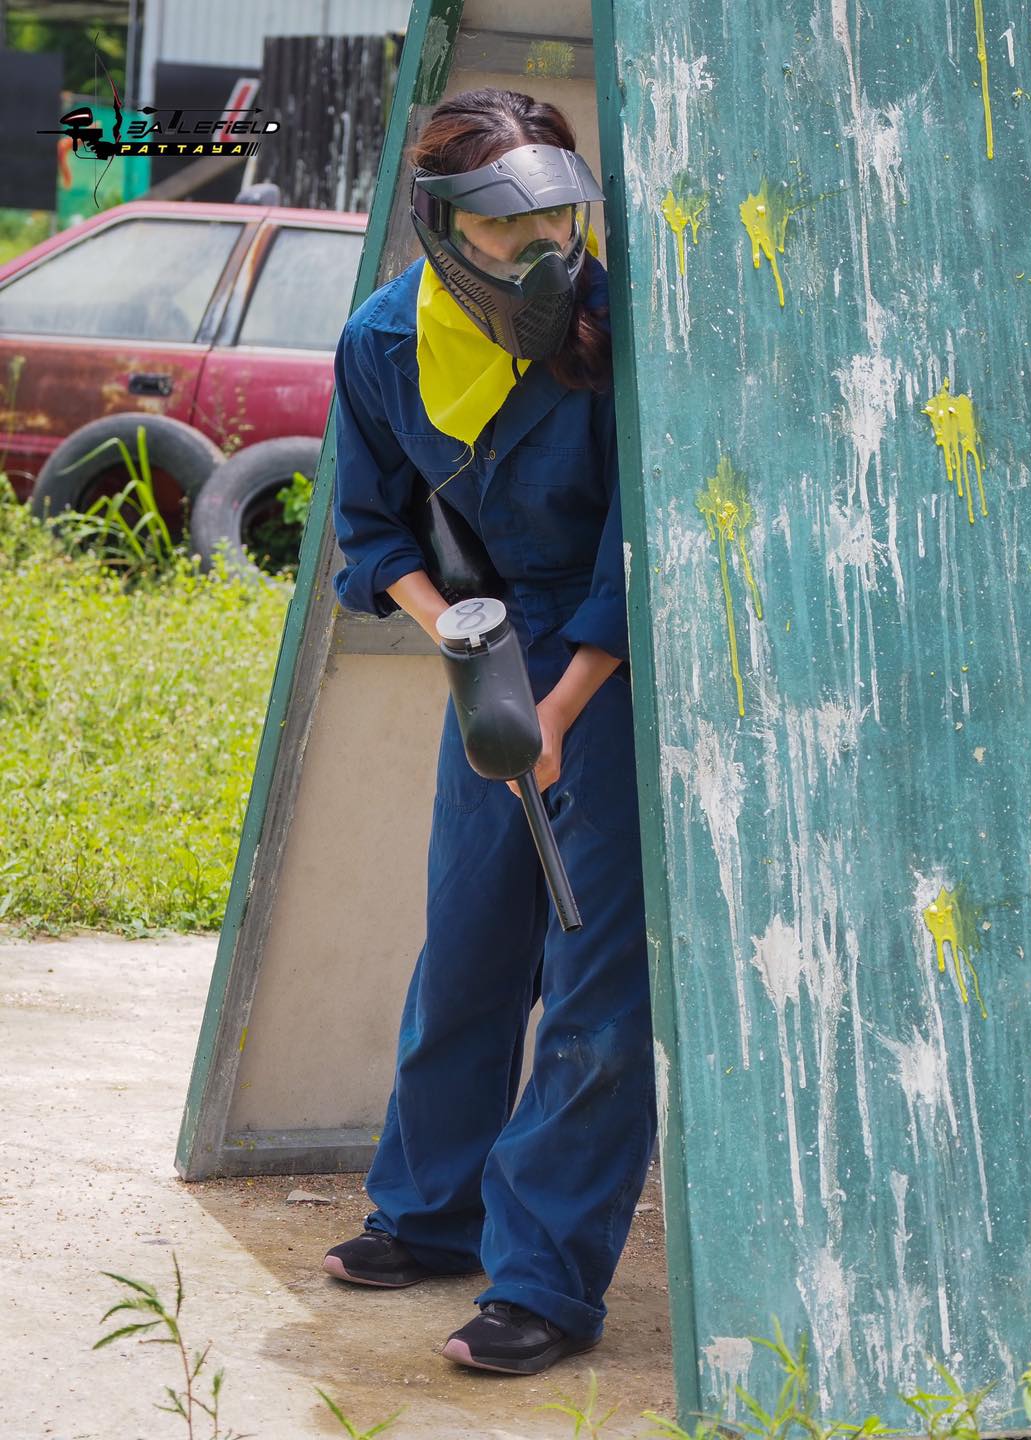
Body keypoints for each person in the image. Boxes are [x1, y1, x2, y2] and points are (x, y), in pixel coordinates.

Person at [325, 86, 657, 1377]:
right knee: (467, 943)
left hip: (614, 655)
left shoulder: (618, 326)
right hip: (491, 659)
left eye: (559, 222)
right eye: (514, 232)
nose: (545, 253)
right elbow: (374, 535)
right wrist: (476, 667)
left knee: (593, 989)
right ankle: (429, 1214)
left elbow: (641, 547)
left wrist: (561, 705)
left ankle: (544, 1283)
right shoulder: (381, 339)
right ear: (445, 227)